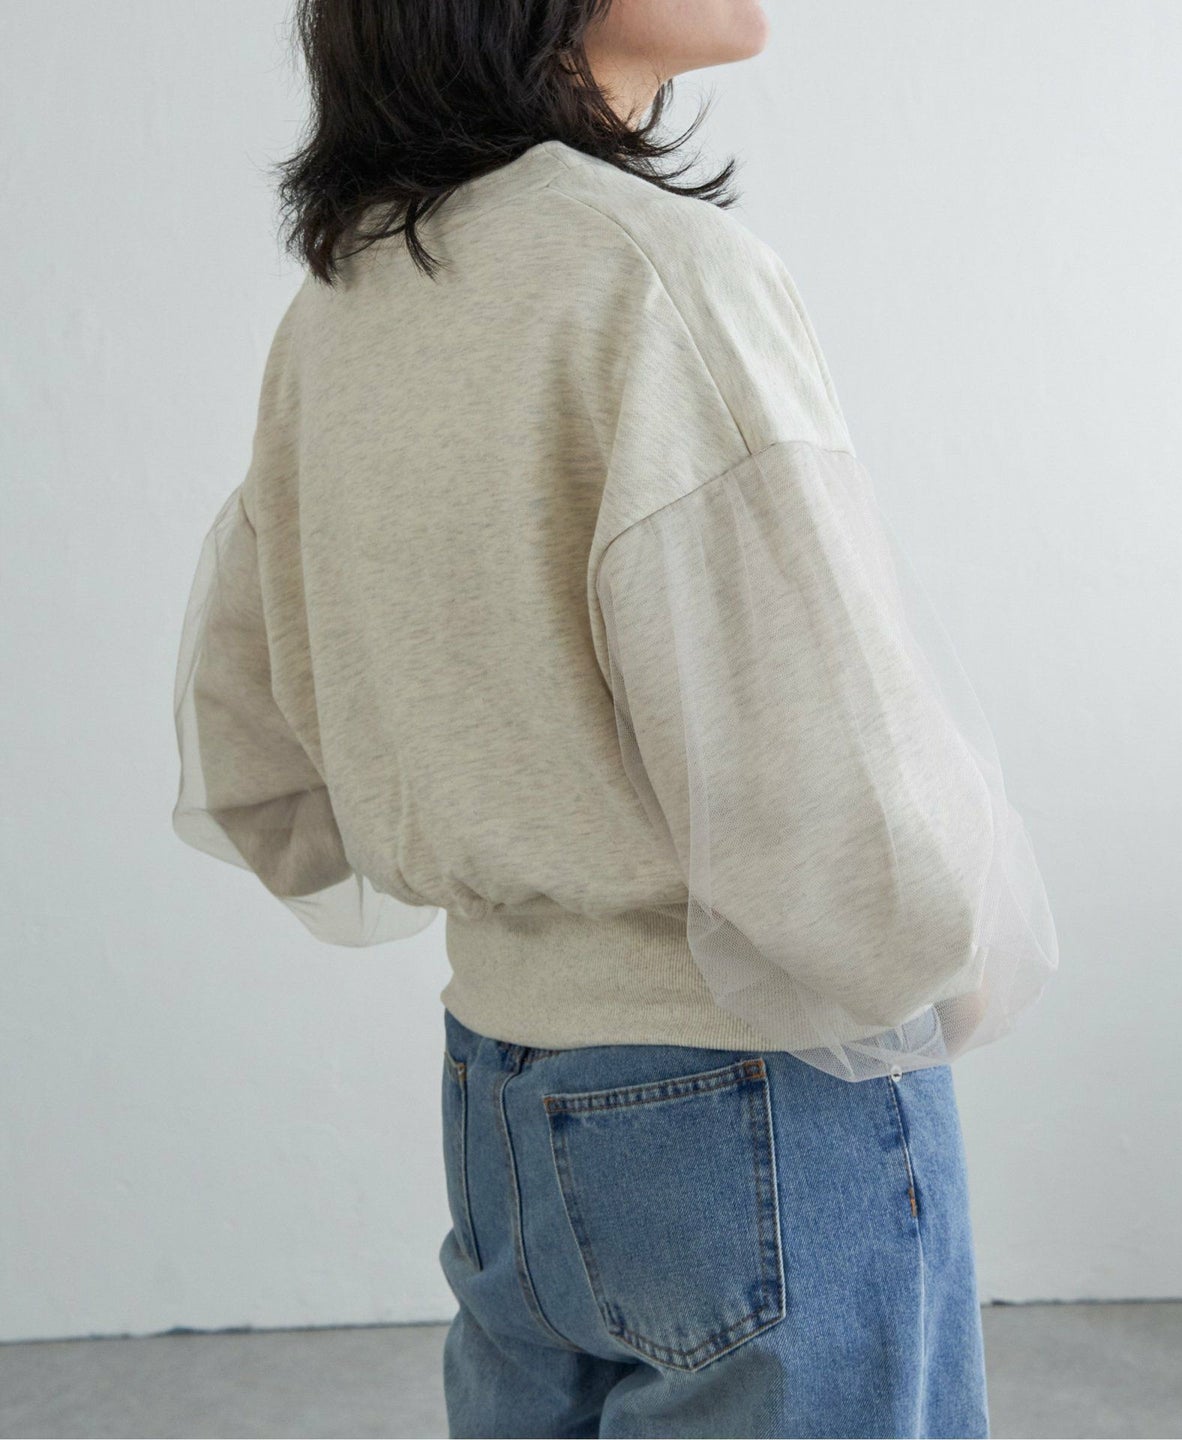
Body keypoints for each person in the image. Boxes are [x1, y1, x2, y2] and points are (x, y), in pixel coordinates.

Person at [171, 1, 1059, 1434]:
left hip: (499, 1095)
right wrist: (948, 962)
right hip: (755, 1095)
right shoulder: (656, 273)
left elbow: (252, 750)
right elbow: (851, 825)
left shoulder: (343, 304)